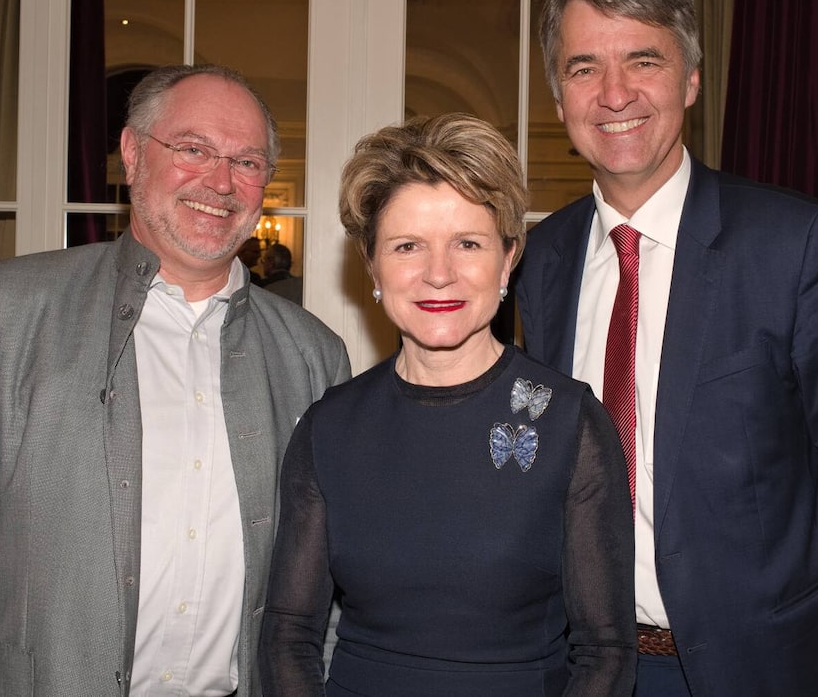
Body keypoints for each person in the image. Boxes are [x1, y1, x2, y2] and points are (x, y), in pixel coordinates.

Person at [0, 64, 351, 697]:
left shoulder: (313, 356)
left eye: (247, 162)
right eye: (193, 149)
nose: (221, 182)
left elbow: (326, 603)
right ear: (131, 153)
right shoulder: (2, 313)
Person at [515, 0, 818, 696]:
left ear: (690, 80)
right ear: (557, 99)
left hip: (759, 668)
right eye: (582, 67)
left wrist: (793, 614)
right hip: (585, 670)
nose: (614, 93)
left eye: (644, 61)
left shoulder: (794, 244)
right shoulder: (539, 259)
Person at [260, 113, 637, 696]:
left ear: (509, 257)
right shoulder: (328, 426)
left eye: (468, 243)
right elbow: (289, 635)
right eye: (408, 245)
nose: (439, 274)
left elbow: (605, 652)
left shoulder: (570, 422)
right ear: (372, 264)